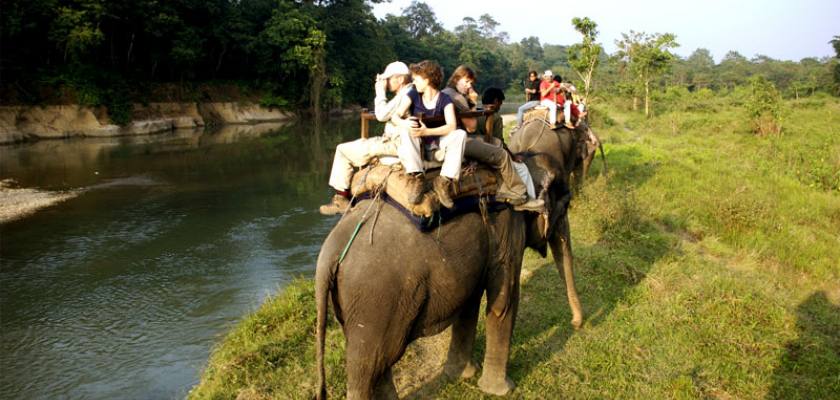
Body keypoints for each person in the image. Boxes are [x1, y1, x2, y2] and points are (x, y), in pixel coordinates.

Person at [319, 61, 421, 215]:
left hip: (395, 143)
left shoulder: (406, 93)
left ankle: (341, 199)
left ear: (400, 79)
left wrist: (379, 92)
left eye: (389, 79)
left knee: (342, 150)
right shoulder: (409, 92)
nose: (386, 82)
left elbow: (381, 115)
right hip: (395, 140)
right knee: (358, 145)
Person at [441, 66, 543, 211]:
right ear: (457, 79)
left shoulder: (445, 93)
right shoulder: (458, 97)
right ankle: (519, 194)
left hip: (452, 138)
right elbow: (471, 127)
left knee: (497, 143)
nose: (470, 86)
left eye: (471, 83)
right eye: (467, 82)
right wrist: (473, 101)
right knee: (502, 155)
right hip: (461, 139)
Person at [392, 60, 467, 208]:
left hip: (438, 147)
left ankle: (443, 181)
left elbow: (451, 126)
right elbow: (396, 116)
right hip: (418, 146)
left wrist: (427, 131)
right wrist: (405, 123)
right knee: (405, 129)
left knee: (460, 134)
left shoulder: (445, 99)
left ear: (427, 80)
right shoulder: (413, 93)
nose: (414, 83)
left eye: (416, 79)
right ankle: (419, 179)